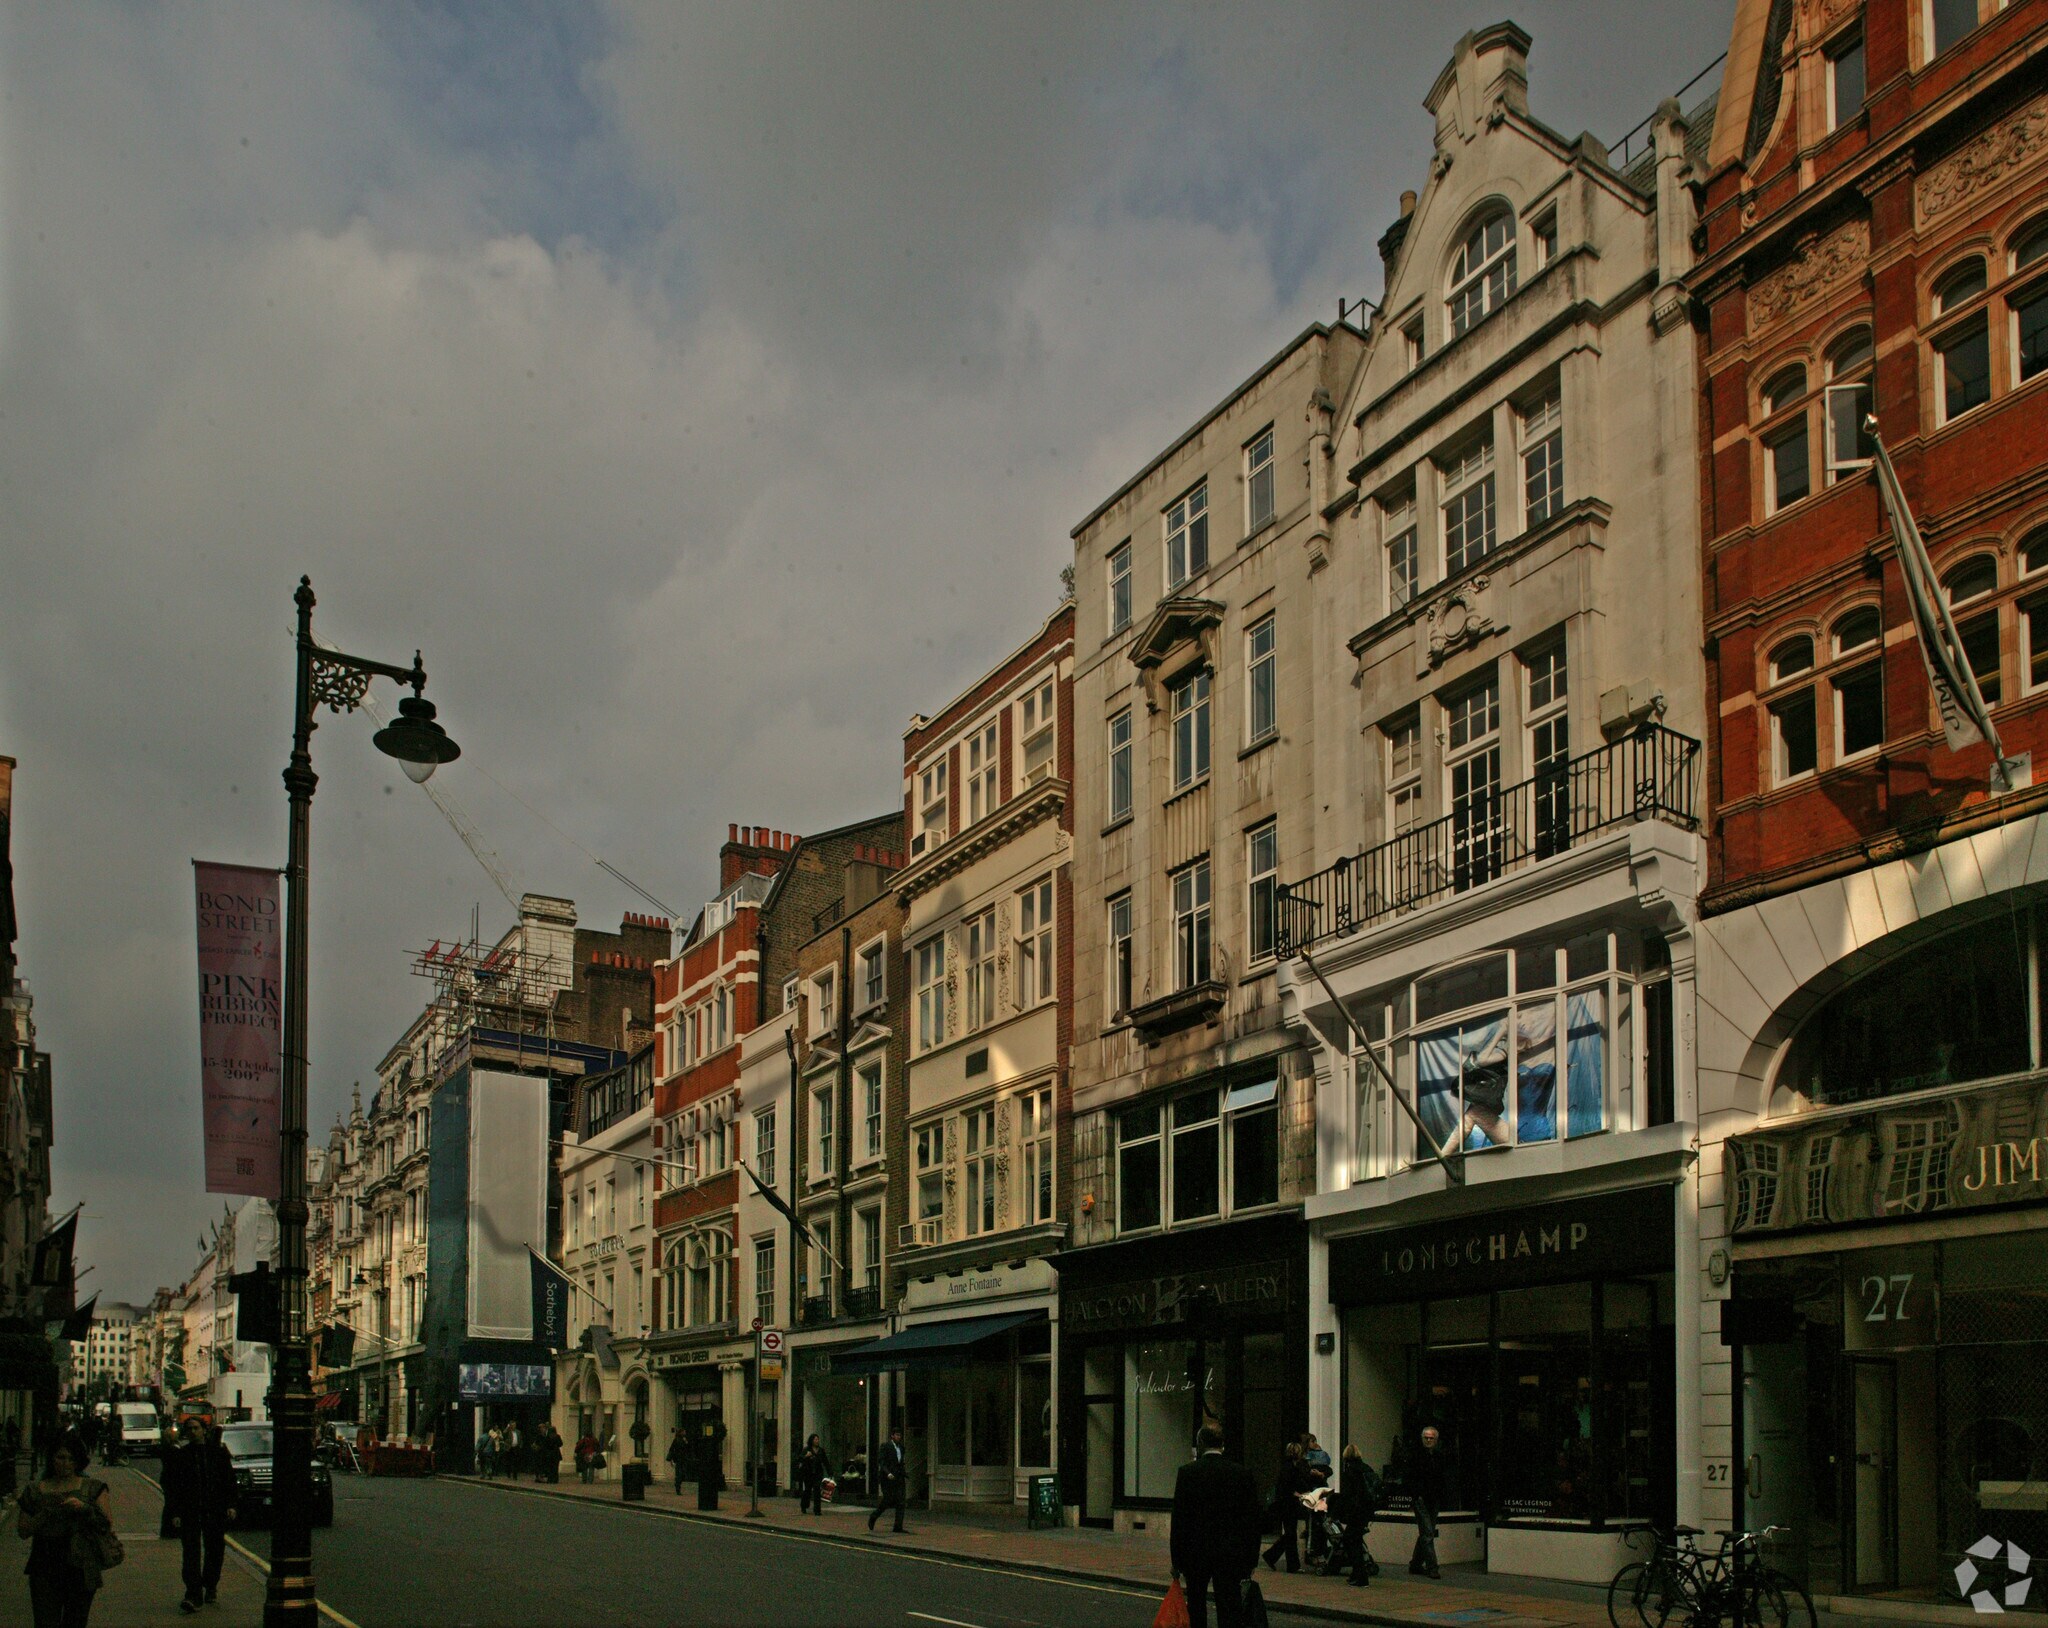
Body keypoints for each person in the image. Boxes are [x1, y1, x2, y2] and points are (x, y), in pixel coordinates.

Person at [16, 1431, 114, 1628]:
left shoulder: (93, 1488)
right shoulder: (36, 1491)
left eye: (71, 1458)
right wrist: (45, 1514)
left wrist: (84, 1508)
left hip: (81, 1565)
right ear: (52, 1458)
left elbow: (106, 1524)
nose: (66, 1463)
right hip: (45, 1564)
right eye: (61, 1457)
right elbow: (23, 1531)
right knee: (45, 1621)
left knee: (75, 1621)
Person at [1169, 1423, 1262, 1628]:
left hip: (1196, 1552)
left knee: (1196, 1605)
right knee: (1229, 1606)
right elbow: (1252, 1521)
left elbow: (1180, 1519)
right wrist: (1251, 1559)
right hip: (1230, 1553)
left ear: (1201, 1443)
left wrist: (1176, 1559)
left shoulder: (1187, 1472)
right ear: (1222, 1444)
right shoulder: (1241, 1473)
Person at [160, 1414, 236, 1614]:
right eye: (190, 1429)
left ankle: (210, 1584)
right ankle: (193, 1593)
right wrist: (175, 1512)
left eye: (196, 1428)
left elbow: (228, 1480)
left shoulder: (218, 1453)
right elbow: (173, 1485)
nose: (193, 1432)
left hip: (214, 1509)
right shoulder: (182, 1455)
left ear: (204, 1430)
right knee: (191, 1553)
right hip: (190, 1511)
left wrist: (230, 1504)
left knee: (214, 1550)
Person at [1330, 1443, 1380, 1586]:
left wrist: (1336, 1513)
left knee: (1351, 1541)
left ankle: (1360, 1576)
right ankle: (1356, 1574)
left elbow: (1347, 1495)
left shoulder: (1351, 1472)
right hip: (1366, 1511)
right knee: (1355, 1540)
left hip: (1356, 1512)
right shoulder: (1366, 1469)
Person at [1261, 1440, 1311, 1573]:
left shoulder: (1287, 1467)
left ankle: (1272, 1556)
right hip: (1288, 1504)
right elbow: (1289, 1487)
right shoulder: (1292, 1468)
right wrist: (1299, 1493)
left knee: (1289, 1534)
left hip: (1285, 1504)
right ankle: (1290, 1564)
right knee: (1290, 1534)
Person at [1409, 1425, 1445, 1580]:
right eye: (1426, 1437)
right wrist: (1415, 1495)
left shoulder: (1439, 1456)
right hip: (1421, 1499)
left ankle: (1415, 1564)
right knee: (1428, 1533)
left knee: (1426, 1532)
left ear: (1436, 1440)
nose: (1429, 1440)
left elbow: (1442, 1477)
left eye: (1431, 1438)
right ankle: (1432, 1567)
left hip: (1434, 1498)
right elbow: (1410, 1477)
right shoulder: (1416, 1456)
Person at [866, 1427, 907, 1534]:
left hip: (899, 1478)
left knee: (901, 1502)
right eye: (897, 1435)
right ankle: (873, 1516)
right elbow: (881, 1462)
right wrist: (887, 1473)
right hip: (887, 1478)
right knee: (888, 1500)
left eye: (900, 1435)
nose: (899, 1437)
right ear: (892, 1436)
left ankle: (898, 1527)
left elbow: (900, 1463)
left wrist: (904, 1473)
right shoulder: (885, 1446)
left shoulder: (901, 1448)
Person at [794, 1435, 827, 1516]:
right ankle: (804, 1505)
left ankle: (817, 1510)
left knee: (817, 1491)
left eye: (818, 1439)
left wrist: (830, 1472)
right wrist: (806, 1456)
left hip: (817, 1473)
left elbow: (825, 1461)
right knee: (807, 1491)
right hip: (808, 1473)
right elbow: (799, 1458)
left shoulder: (821, 1450)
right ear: (812, 1441)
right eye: (815, 1439)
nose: (817, 1441)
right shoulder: (807, 1449)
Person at [665, 1426, 689, 1495]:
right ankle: (678, 1488)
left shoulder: (684, 1439)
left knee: (683, 1474)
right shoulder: (676, 1440)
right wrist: (671, 1460)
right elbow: (672, 1449)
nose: (685, 1433)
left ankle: (678, 1485)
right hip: (678, 1459)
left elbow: (687, 1449)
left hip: (683, 1459)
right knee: (679, 1474)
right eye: (684, 1432)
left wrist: (686, 1442)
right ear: (681, 1432)